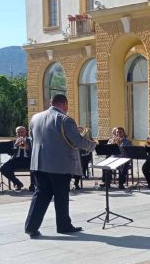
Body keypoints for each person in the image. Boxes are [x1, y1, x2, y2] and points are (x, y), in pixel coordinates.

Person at [24, 94, 96, 238]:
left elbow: (32, 139)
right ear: (64, 104)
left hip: (38, 163)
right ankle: (63, 225)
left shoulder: (35, 117)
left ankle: (31, 227)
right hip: (59, 165)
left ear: (52, 103)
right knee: (61, 196)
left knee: (40, 195)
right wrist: (92, 145)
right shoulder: (65, 119)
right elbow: (77, 141)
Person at [1, 126, 34, 192]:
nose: (20, 134)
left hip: (27, 159)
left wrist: (26, 146)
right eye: (18, 132)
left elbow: (33, 152)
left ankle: (32, 185)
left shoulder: (30, 140)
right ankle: (17, 183)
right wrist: (15, 146)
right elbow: (10, 153)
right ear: (16, 133)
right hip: (16, 160)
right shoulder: (14, 141)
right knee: (3, 168)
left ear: (25, 132)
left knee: (35, 168)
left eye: (22, 132)